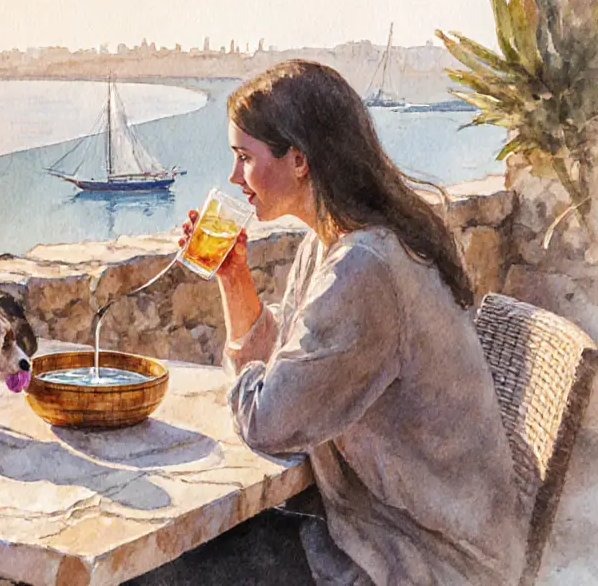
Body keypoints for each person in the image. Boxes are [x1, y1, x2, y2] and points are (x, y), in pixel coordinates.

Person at [177, 60, 528, 585]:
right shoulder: (333, 244)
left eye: (244, 158)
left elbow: (269, 422)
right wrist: (234, 278)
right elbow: (289, 372)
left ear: (299, 159)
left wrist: (254, 388)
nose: (233, 177)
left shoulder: (364, 269)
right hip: (380, 531)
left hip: (422, 560)